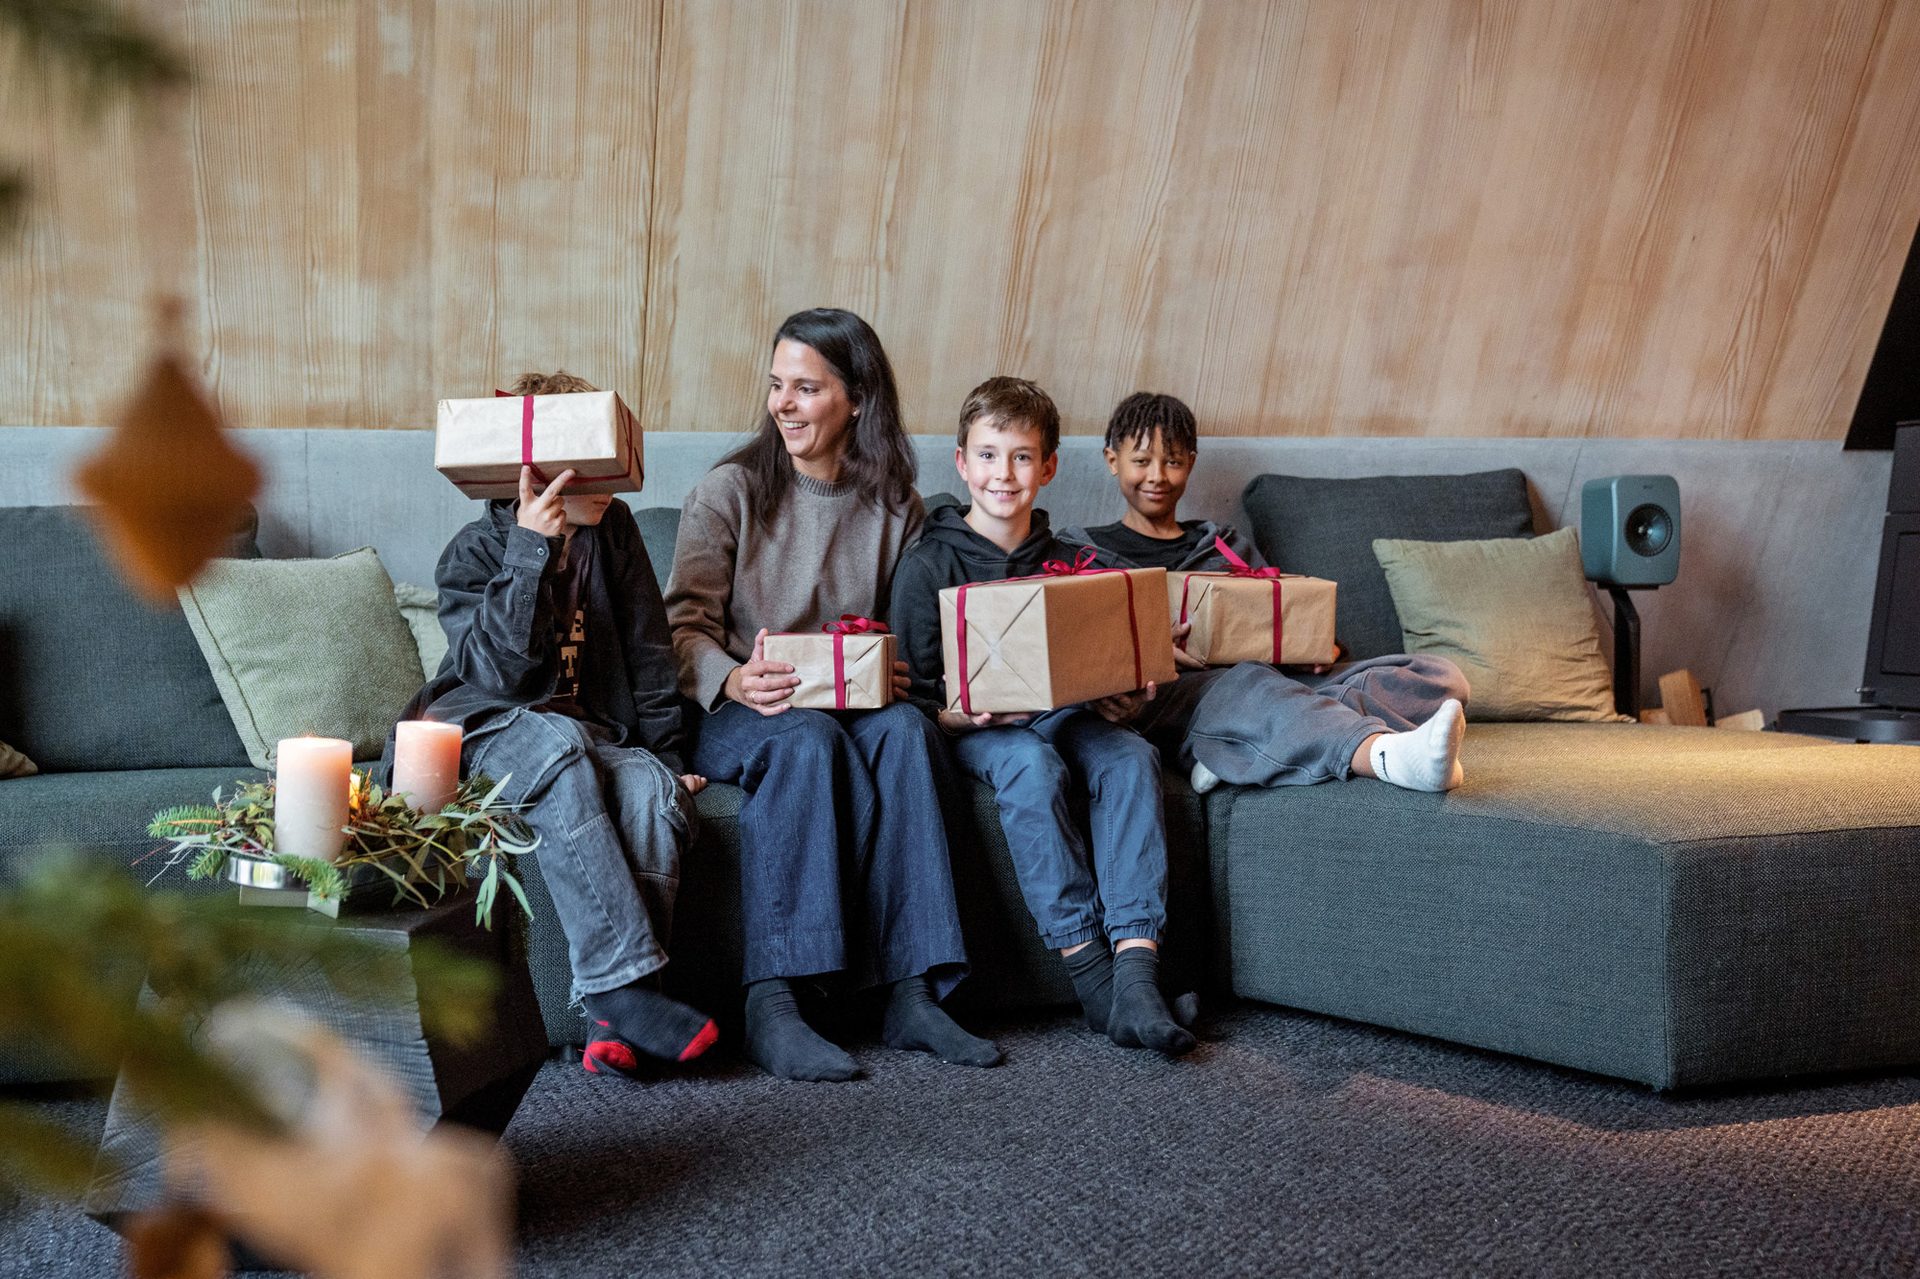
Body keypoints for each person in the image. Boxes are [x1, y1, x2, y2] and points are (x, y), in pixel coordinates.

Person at [665, 307, 999, 1083]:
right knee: (804, 737)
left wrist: (898, 668)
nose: (783, 403)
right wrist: (732, 676)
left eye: (806, 388)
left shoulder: (896, 506)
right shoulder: (728, 491)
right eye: (777, 385)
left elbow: (904, 631)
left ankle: (912, 992)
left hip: (851, 708)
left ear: (857, 400)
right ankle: (773, 1003)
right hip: (744, 713)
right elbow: (680, 633)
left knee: (910, 732)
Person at [400, 370, 717, 1079]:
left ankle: (615, 1028)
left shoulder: (615, 532)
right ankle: (621, 990)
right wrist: (528, 552)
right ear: (537, 473)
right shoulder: (473, 552)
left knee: (651, 792)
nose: (613, 482)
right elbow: (496, 677)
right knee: (560, 742)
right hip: (487, 728)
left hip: (588, 732)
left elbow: (649, 651)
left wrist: (667, 759)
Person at [889, 376, 1196, 1058]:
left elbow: (1115, 665)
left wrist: (1128, 695)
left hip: (1066, 716)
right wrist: (964, 717)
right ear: (961, 463)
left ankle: (1137, 977)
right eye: (988, 455)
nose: (1004, 473)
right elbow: (911, 700)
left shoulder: (1077, 564)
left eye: (1022, 456)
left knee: (1130, 754)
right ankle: (1096, 982)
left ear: (1049, 467)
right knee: (1030, 763)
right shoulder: (927, 565)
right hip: (978, 735)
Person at [1061, 391, 1470, 795]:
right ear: (1112, 460)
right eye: (1141, 461)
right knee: (1249, 682)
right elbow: (1072, 653)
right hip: (1171, 697)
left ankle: (1241, 745)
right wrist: (1147, 651)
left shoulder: (1226, 545)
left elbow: (1277, 622)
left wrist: (1312, 649)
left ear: (1191, 463)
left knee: (1439, 677)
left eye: (1173, 461)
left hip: (1269, 683)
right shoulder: (1079, 555)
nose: (1157, 476)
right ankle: (1382, 755)